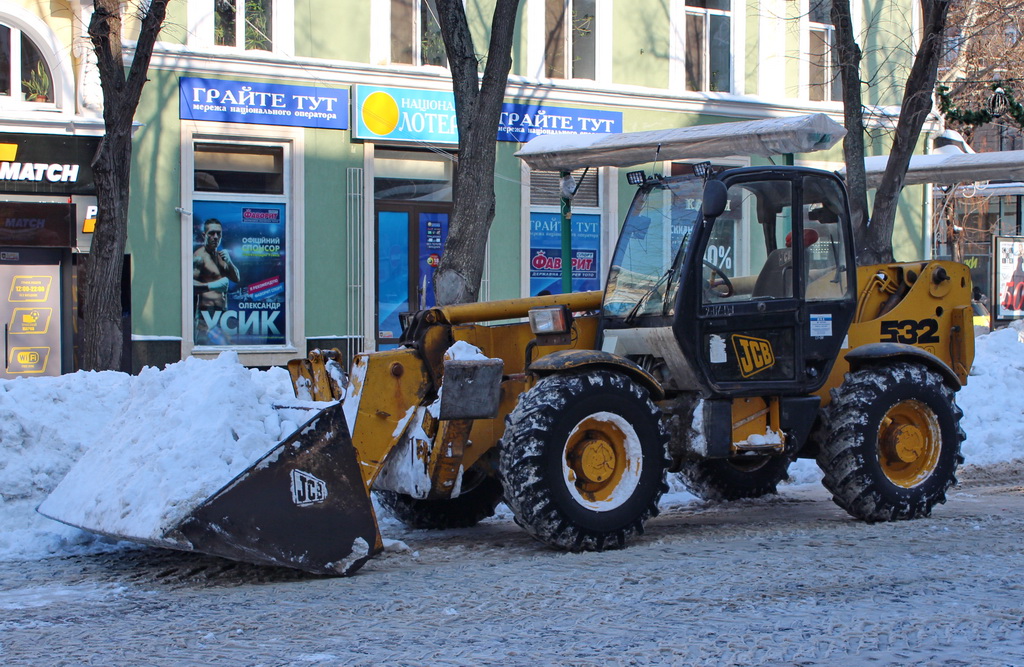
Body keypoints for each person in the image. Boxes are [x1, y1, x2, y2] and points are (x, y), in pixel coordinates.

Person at [193, 218, 240, 343]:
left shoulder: (220, 256)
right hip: (206, 316)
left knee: (226, 352)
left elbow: (236, 278)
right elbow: (189, 285)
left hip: (222, 314)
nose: (215, 237)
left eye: (218, 233)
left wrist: (229, 262)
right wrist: (212, 286)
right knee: (204, 351)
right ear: (204, 235)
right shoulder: (199, 257)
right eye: (212, 233)